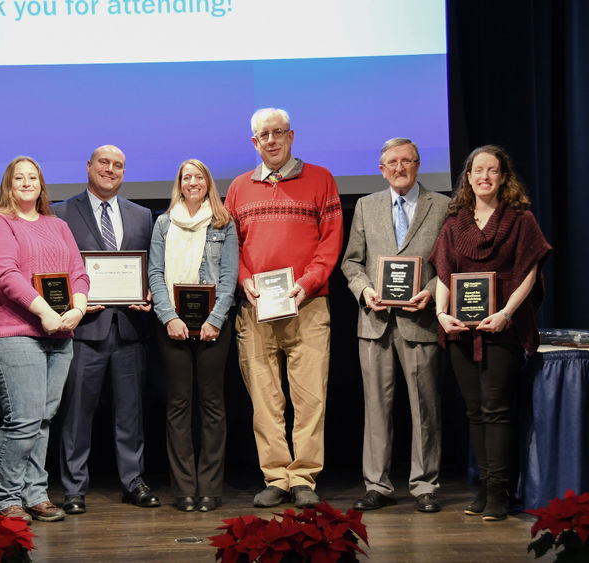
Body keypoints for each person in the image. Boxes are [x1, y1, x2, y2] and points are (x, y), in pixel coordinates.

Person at [224, 108, 343, 508]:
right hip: (255, 309)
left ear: (291, 136)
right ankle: (276, 476)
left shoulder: (321, 179)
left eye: (278, 133)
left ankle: (304, 477)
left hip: (308, 305)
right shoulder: (239, 187)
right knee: (265, 398)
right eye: (263, 135)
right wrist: (244, 281)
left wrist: (306, 284)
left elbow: (330, 243)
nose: (271, 140)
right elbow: (230, 247)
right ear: (253, 142)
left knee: (310, 397)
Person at [430, 145, 551, 521]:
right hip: (461, 330)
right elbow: (444, 273)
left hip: (504, 326)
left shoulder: (520, 220)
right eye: (477, 170)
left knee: (496, 410)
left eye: (492, 171)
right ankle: (484, 486)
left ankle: (500, 491)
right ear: (467, 177)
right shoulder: (454, 223)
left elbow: (529, 271)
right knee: (474, 411)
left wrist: (505, 314)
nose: (484, 177)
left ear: (502, 177)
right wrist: (440, 313)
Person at [0, 156, 90, 523]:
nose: (26, 183)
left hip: (61, 332)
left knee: (43, 419)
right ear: (8, 184)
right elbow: (6, 275)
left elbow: (78, 272)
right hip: (15, 333)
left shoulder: (57, 225)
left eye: (33, 177)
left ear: (41, 185)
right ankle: (7, 497)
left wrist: (78, 308)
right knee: (23, 420)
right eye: (19, 178)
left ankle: (35, 493)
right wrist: (44, 311)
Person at [341, 138, 449, 513]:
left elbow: (450, 266)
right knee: (376, 407)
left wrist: (433, 292)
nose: (400, 167)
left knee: (426, 406)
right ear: (381, 168)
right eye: (392, 162)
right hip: (375, 322)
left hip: (420, 321)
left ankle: (425, 485)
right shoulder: (366, 206)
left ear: (418, 165)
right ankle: (378, 485)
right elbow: (351, 262)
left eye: (406, 161)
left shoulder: (445, 206)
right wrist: (366, 289)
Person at [53, 145, 159, 513]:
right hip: (84, 329)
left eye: (118, 166)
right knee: (77, 413)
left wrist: (149, 291)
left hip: (130, 329)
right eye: (104, 163)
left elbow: (152, 267)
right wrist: (71, 299)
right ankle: (74, 488)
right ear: (88, 166)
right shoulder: (61, 213)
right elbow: (53, 269)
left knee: (130, 413)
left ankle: (133, 481)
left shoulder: (143, 216)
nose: (110, 170)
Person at [148, 159, 238, 512]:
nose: (192, 182)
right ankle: (184, 488)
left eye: (198, 176)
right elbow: (155, 272)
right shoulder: (163, 223)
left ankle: (210, 489)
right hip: (172, 325)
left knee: (213, 405)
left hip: (215, 324)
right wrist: (168, 316)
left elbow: (229, 276)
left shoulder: (223, 223)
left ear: (208, 182)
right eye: (186, 177)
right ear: (179, 184)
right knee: (179, 405)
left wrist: (216, 318)